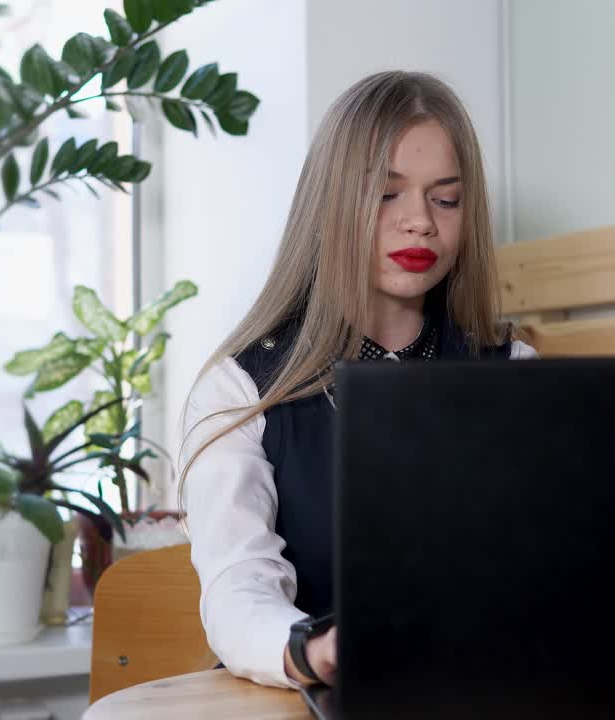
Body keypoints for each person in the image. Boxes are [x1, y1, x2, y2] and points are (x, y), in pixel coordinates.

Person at [177, 71, 537, 690]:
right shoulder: (238, 390)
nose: (420, 222)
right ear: (331, 204)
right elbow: (238, 590)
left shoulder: (517, 373)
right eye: (386, 195)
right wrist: (315, 650)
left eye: (446, 200)